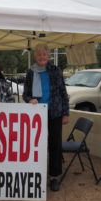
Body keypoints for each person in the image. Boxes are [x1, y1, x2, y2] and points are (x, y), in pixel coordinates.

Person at [22, 43, 69, 192]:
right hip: (37, 114)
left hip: (55, 112)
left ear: (48, 56)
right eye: (39, 54)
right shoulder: (31, 72)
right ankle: (36, 173)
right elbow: (25, 94)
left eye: (44, 54)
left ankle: (54, 177)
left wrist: (66, 113)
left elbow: (63, 92)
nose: (42, 57)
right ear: (35, 56)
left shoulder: (55, 71)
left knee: (55, 145)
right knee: (37, 144)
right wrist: (30, 99)